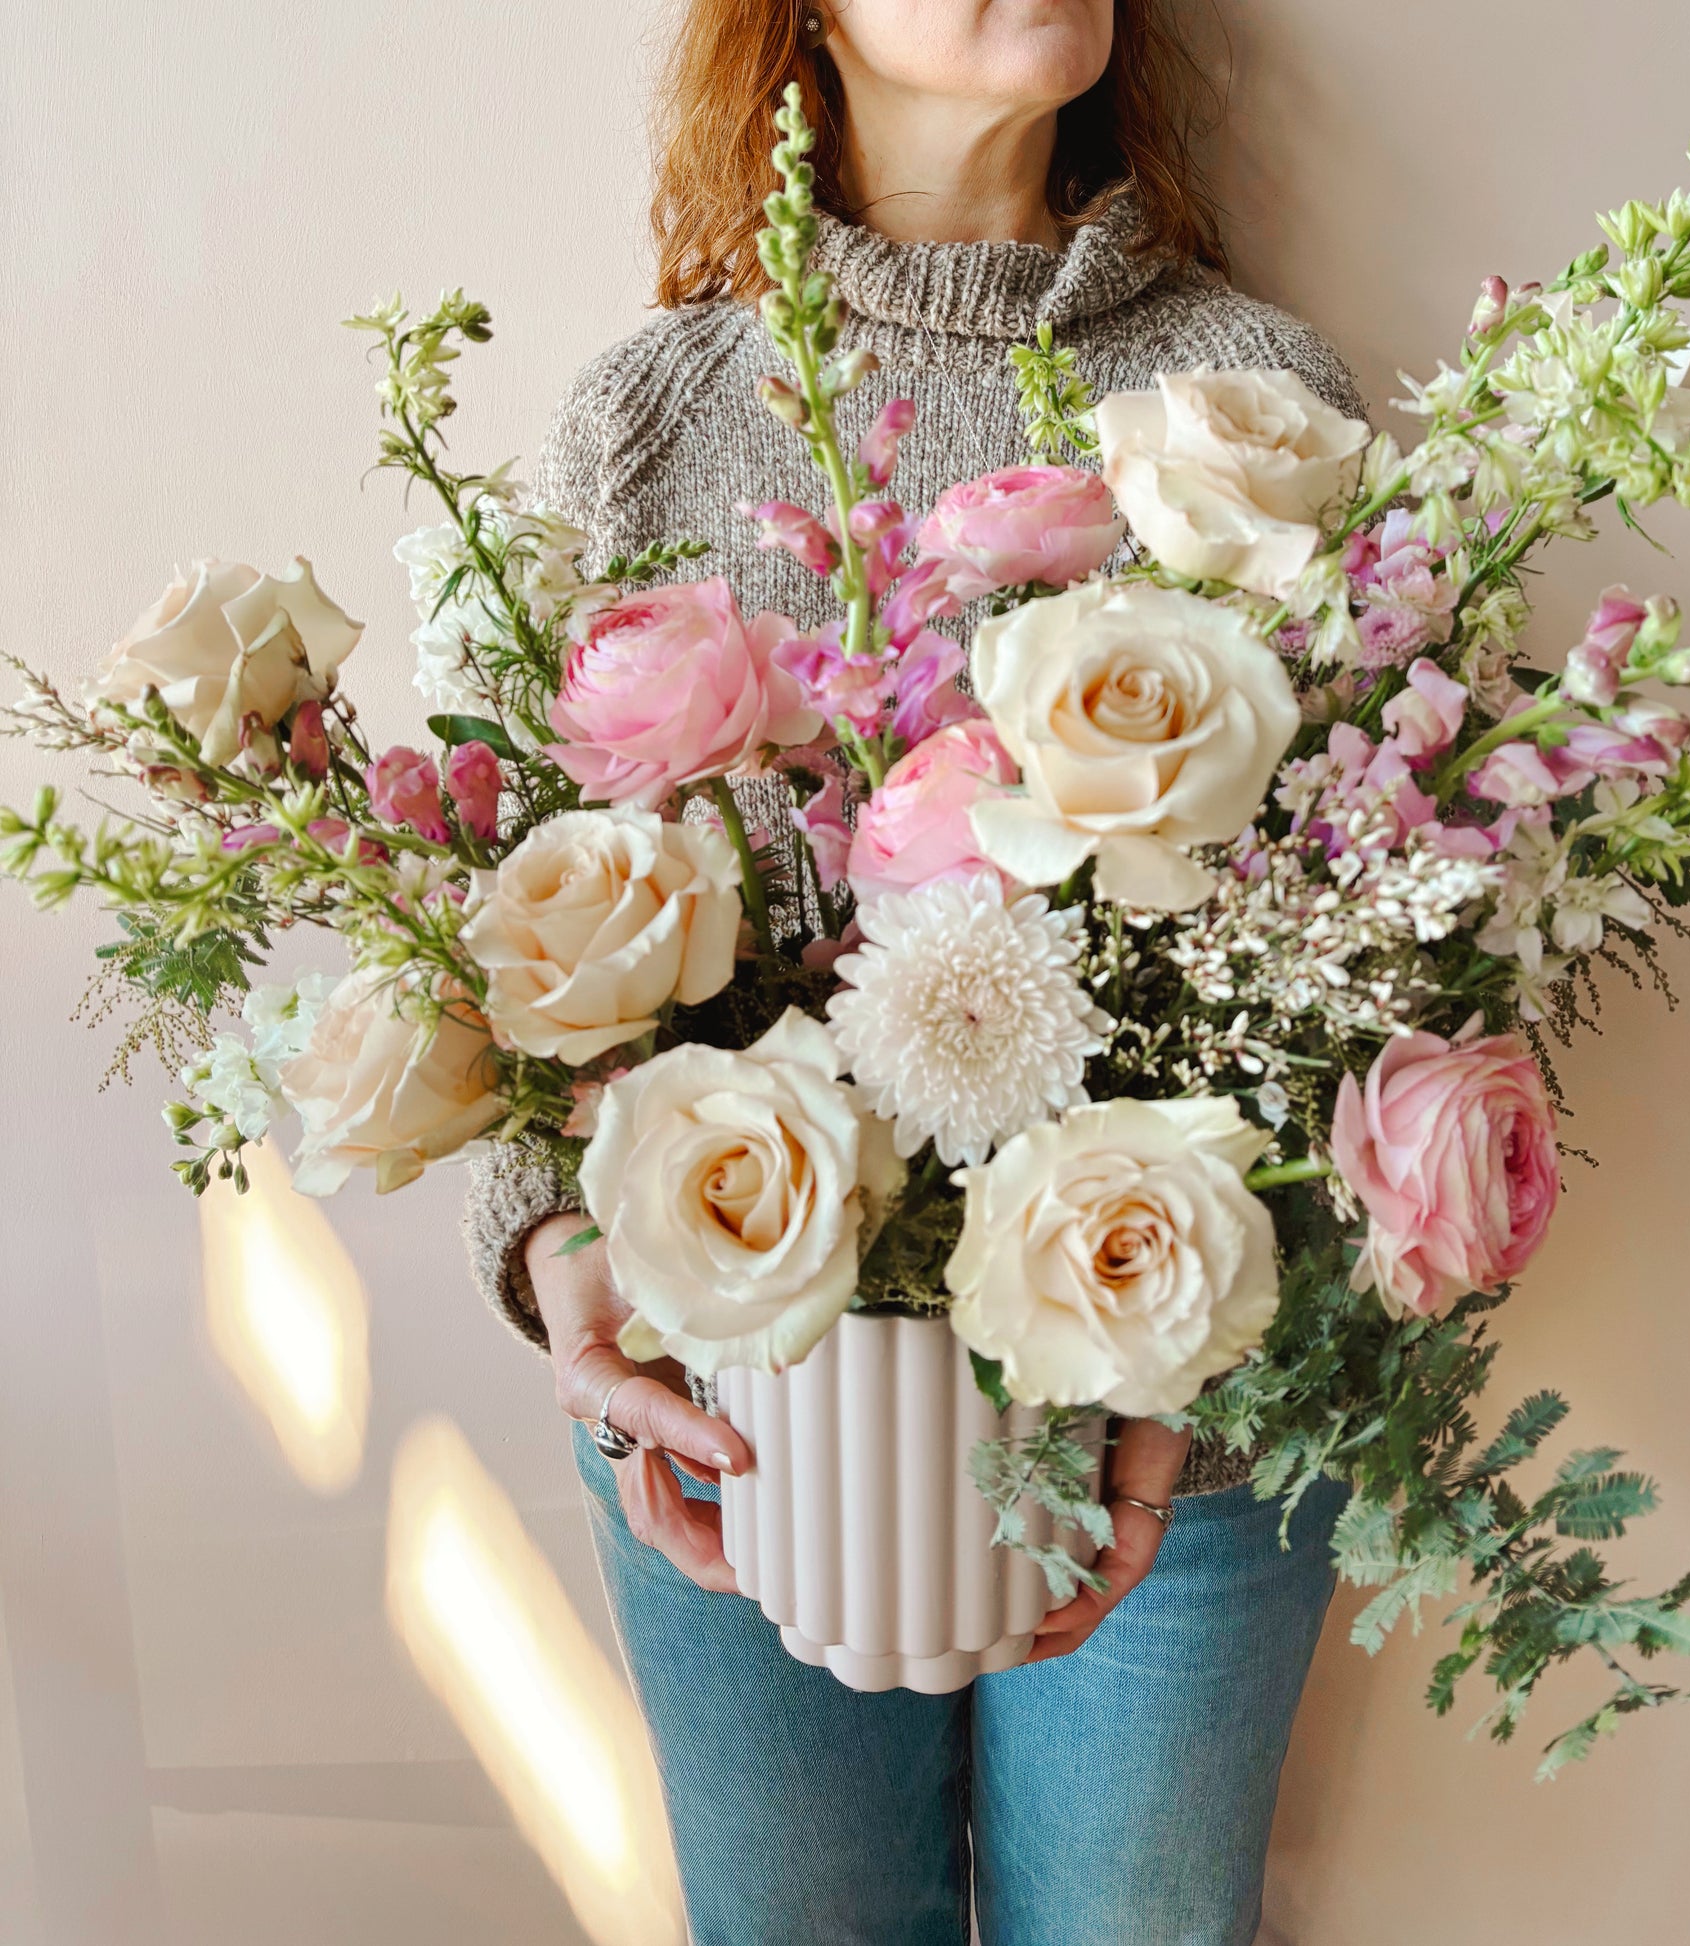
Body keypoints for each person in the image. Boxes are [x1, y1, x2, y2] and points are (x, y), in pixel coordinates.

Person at [463, 3, 1364, 1939]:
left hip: (1183, 1422)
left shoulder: (1250, 394)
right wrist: (570, 1278)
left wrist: (1182, 1386)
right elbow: (498, 926)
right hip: (752, 1411)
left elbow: (1386, 920)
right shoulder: (647, 413)